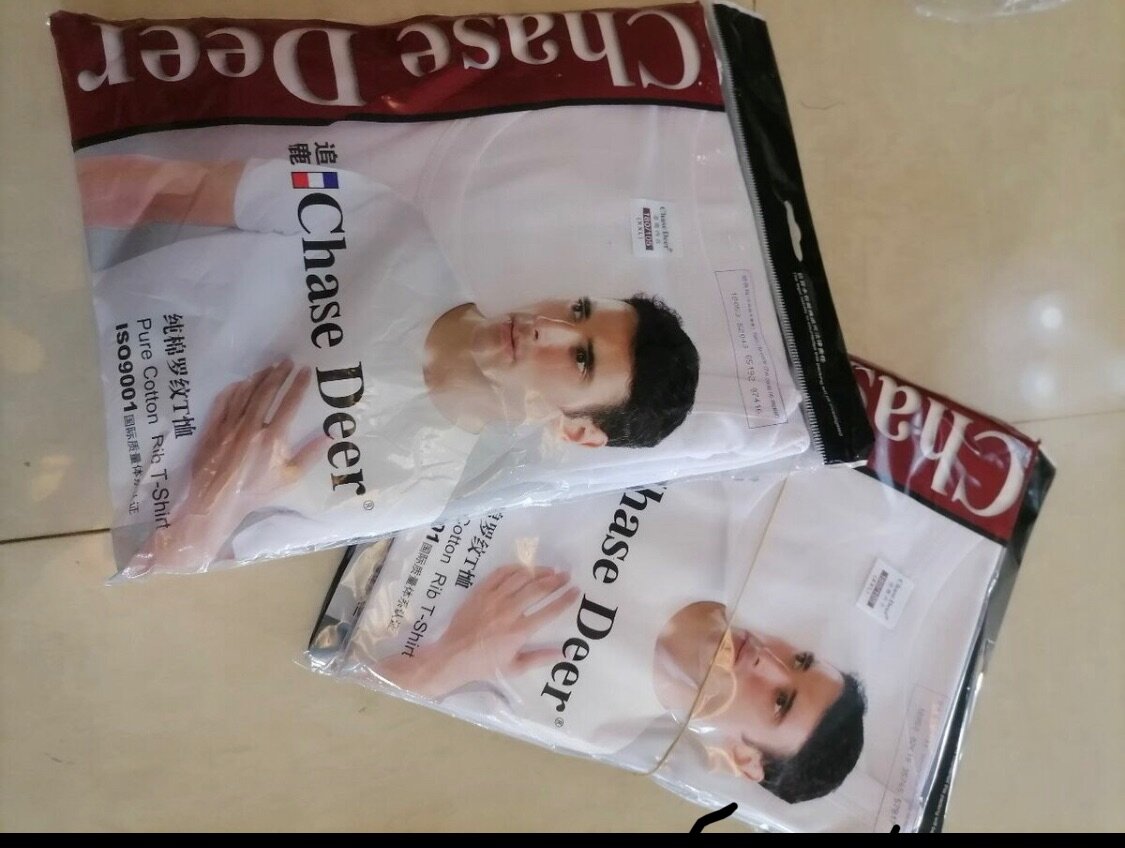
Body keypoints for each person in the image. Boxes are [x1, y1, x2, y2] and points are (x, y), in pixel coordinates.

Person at [78, 156, 699, 573]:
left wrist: (217, 503)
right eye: (580, 309)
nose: (549, 327)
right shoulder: (388, 222)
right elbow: (157, 186)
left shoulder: (408, 496)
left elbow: (165, 565)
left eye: (581, 358)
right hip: (63, 317)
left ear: (578, 431)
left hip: (70, 482)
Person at [367, 569, 865, 804]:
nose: (767, 659)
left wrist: (451, 659)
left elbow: (365, 709)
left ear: (742, 759)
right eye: (799, 660)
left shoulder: (594, 733)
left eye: (780, 701)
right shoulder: (711, 540)